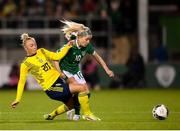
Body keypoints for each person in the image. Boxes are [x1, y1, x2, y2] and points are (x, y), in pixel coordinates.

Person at [11, 33, 101, 121]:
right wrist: (17, 99)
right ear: (25, 48)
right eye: (31, 45)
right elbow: (21, 82)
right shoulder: (25, 64)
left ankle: (51, 115)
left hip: (59, 81)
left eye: (35, 44)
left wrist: (68, 46)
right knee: (82, 88)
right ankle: (88, 114)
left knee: (72, 105)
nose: (34, 46)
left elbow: (57, 56)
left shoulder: (41, 51)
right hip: (52, 88)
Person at [53, 20, 114, 121]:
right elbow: (55, 58)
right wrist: (60, 72)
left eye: (89, 39)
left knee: (87, 92)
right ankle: (84, 114)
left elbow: (97, 57)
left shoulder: (87, 46)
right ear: (79, 38)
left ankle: (71, 109)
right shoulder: (70, 45)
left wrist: (107, 70)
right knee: (80, 88)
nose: (88, 42)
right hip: (66, 70)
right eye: (86, 39)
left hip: (75, 70)